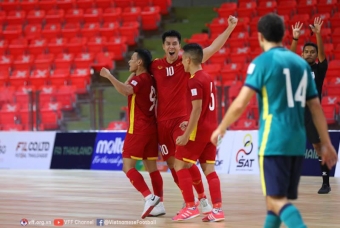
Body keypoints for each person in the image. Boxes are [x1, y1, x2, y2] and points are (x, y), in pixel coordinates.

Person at [211, 13, 338, 228]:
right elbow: (316, 106)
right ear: (283, 35)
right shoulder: (301, 66)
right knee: (276, 202)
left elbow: (241, 103)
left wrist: (221, 128)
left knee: (275, 200)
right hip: (297, 142)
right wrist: (326, 142)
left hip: (274, 140)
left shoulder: (262, 62)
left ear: (260, 37)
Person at [150, 15, 238, 215]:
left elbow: (214, 47)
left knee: (183, 162)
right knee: (173, 165)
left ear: (179, 46)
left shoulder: (187, 62)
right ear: (164, 47)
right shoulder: (155, 65)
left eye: (175, 43)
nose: (172, 46)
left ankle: (200, 200)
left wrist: (229, 28)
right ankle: (193, 200)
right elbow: (138, 70)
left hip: (182, 120)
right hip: (162, 122)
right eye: (168, 44)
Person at [99, 49, 163, 219]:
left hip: (138, 129)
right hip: (152, 129)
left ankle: (149, 197)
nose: (129, 61)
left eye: (132, 59)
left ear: (140, 62)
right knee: (152, 168)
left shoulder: (139, 80)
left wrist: (109, 76)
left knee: (127, 166)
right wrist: (132, 73)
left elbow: (126, 90)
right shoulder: (149, 79)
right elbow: (129, 84)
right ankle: (159, 204)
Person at [171, 43, 224, 222]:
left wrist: (186, 134)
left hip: (198, 131)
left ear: (188, 59)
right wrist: (190, 121)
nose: (182, 63)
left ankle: (190, 207)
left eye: (183, 59)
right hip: (211, 129)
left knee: (180, 165)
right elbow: (203, 109)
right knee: (209, 169)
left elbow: (197, 108)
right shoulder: (208, 77)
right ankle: (217, 210)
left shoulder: (194, 80)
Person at [290, 17, 330, 194]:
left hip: (313, 115)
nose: (309, 54)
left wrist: (319, 35)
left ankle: (326, 182)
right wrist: (295, 39)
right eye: (306, 51)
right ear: (302, 54)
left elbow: (322, 55)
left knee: (317, 148)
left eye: (312, 52)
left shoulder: (319, 70)